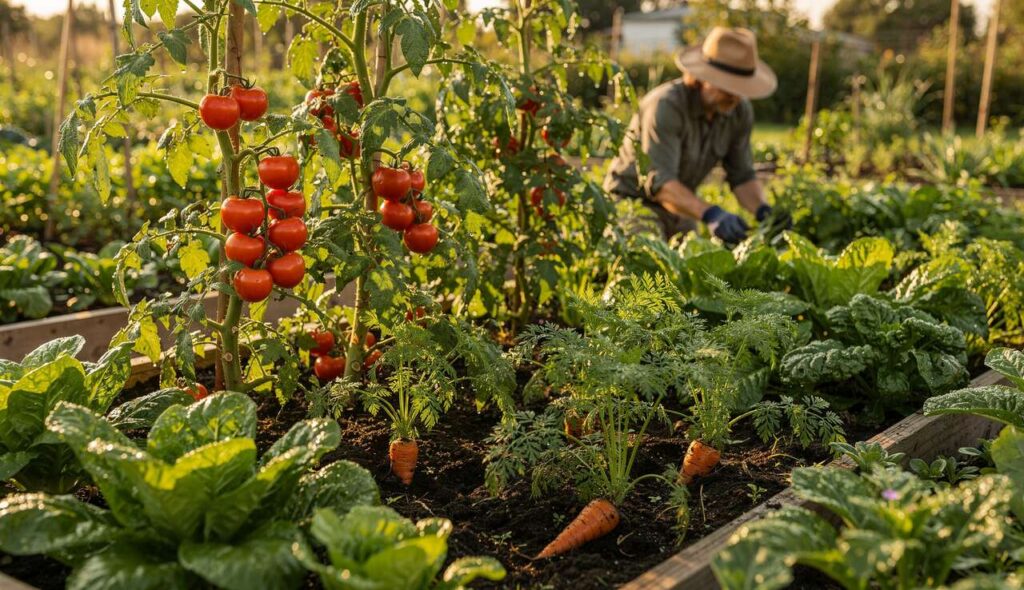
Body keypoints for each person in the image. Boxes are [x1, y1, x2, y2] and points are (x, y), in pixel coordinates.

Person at [604, 26, 783, 244]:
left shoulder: (738, 112)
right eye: (728, 87)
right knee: (647, 266)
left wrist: (764, 212)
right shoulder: (667, 106)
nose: (735, 97)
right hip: (632, 204)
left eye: (741, 89)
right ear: (702, 77)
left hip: (681, 209)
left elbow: (742, 176)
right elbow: (661, 183)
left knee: (698, 271)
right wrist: (712, 214)